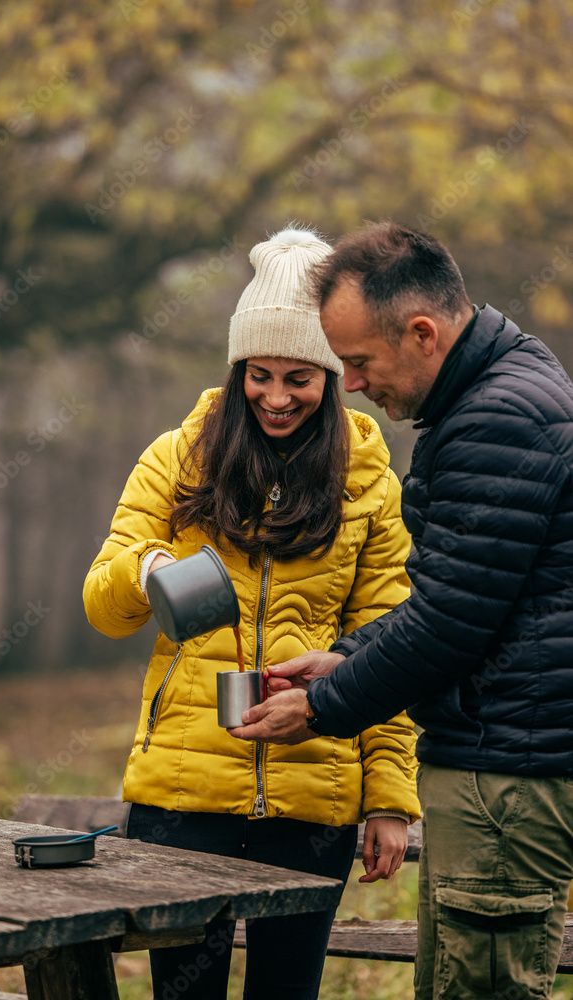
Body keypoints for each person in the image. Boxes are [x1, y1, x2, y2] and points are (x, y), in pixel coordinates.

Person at [232, 220, 573, 1000]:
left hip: (505, 771)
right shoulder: (503, 389)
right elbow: (462, 597)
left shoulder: (495, 419)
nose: (347, 384)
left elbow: (450, 625)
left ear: (421, 333)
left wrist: (319, 707)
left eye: (355, 361)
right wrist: (349, 657)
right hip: (502, 761)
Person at [83, 226, 420, 1000]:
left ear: (333, 375)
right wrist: (146, 568)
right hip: (181, 793)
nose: (275, 396)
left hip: (316, 793)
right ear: (236, 371)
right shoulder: (177, 458)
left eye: (299, 377)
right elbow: (103, 606)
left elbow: (391, 642)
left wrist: (389, 798)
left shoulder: (369, 482)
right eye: (258, 375)